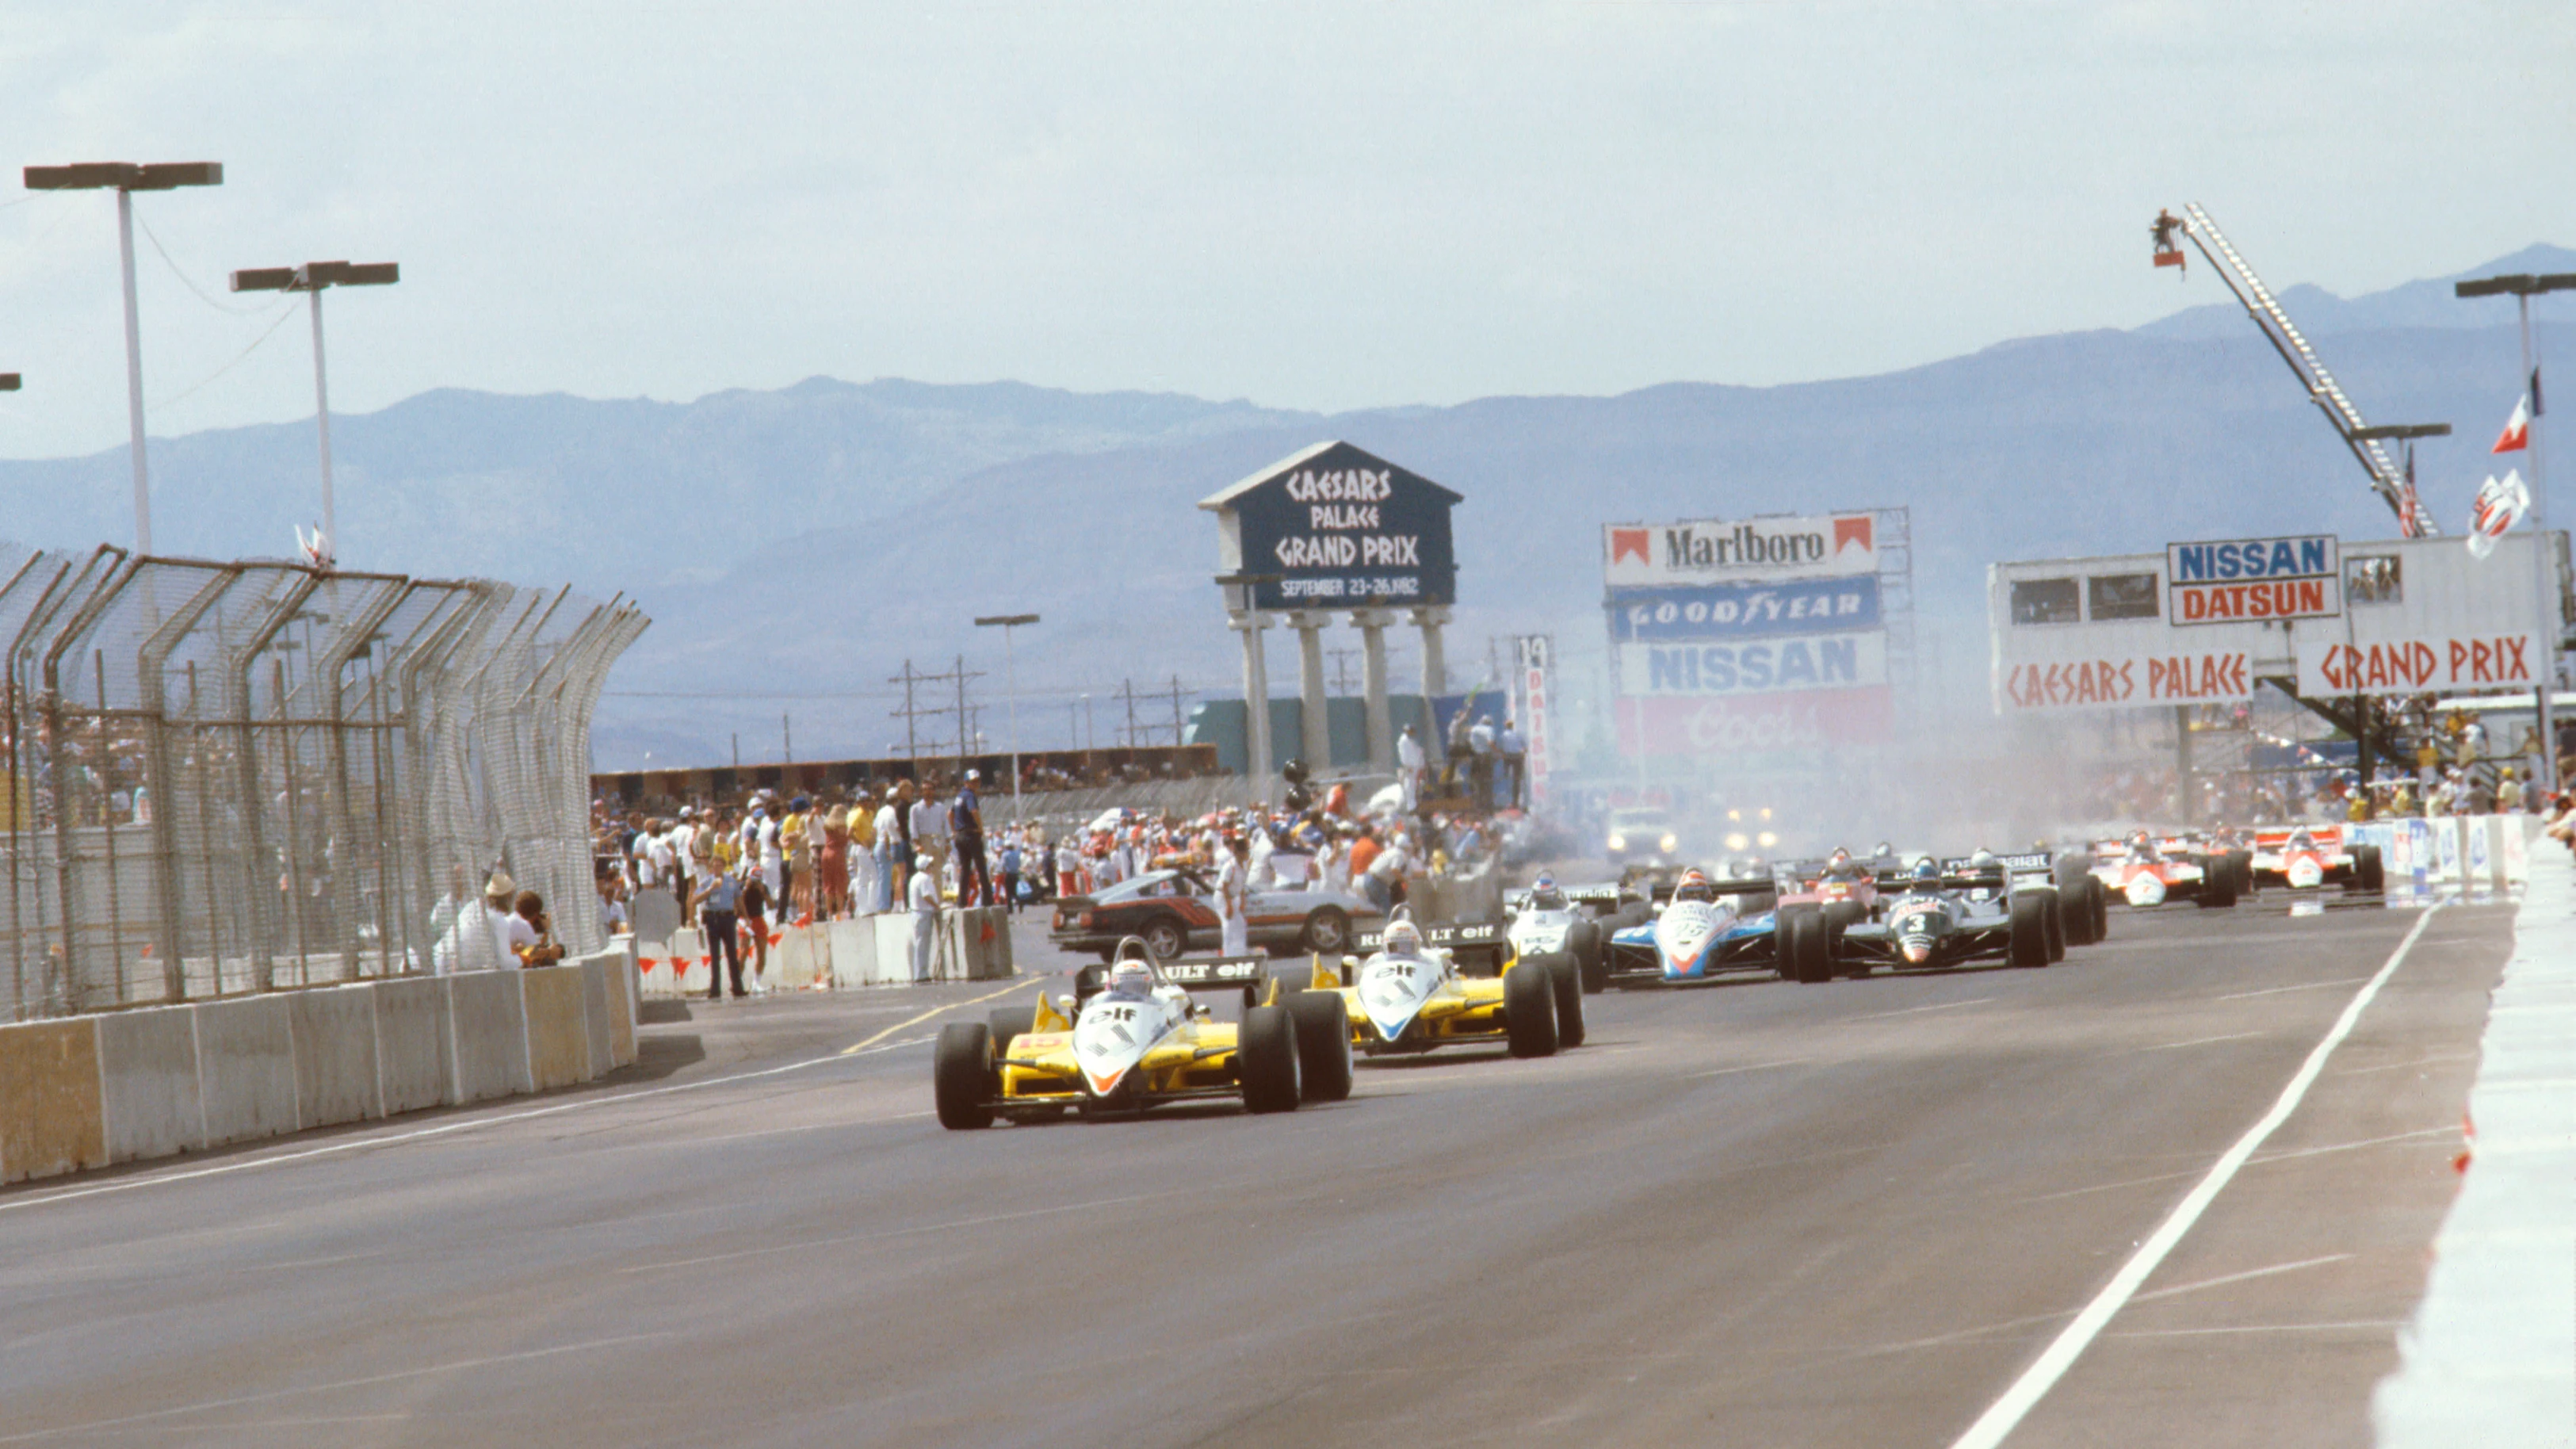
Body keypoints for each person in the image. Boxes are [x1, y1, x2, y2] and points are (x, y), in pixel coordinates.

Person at [698, 863, 746, 1000]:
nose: (717, 869)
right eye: (714, 867)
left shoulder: (731, 881)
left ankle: (737, 986)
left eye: (719, 867)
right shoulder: (707, 882)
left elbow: (738, 899)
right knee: (715, 955)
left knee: (732, 953)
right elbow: (695, 900)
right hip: (713, 918)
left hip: (728, 917)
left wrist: (745, 916)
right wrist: (709, 890)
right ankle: (715, 989)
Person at [952, 769, 991, 908]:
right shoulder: (969, 795)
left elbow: (950, 813)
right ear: (966, 782)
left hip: (960, 835)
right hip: (971, 834)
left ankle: (961, 901)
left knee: (965, 870)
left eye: (977, 781)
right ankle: (988, 900)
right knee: (981, 867)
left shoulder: (959, 796)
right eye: (973, 781)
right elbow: (974, 810)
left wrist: (954, 830)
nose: (976, 784)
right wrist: (980, 827)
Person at [1215, 832, 1251, 956]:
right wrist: (1229, 906)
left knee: (1240, 923)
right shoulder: (1230, 866)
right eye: (1246, 852)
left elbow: (1241, 886)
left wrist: (1242, 901)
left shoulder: (1244, 865)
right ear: (1239, 853)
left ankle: (1240, 953)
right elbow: (1224, 886)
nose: (1247, 854)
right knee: (1229, 925)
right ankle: (1228, 954)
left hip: (1233, 896)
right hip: (1223, 897)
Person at [739, 862, 773, 993]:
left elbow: (771, 905)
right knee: (743, 952)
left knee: (762, 952)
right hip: (745, 919)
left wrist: (763, 893)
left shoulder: (763, 887)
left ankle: (756, 983)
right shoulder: (743, 886)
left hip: (758, 918)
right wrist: (746, 889)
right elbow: (738, 902)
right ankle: (738, 980)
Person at [908, 851, 941, 982]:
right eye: (930, 865)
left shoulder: (915, 878)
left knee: (921, 944)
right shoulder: (925, 879)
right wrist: (936, 906)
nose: (932, 867)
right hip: (923, 913)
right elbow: (926, 895)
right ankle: (921, 974)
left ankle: (921, 972)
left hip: (917, 913)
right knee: (923, 944)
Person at [512, 890, 565, 967]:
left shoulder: (511, 922)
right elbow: (532, 954)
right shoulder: (519, 928)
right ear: (534, 916)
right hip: (514, 968)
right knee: (547, 961)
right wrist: (547, 931)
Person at [874, 786, 904, 914]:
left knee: (883, 878)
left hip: (879, 843)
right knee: (892, 877)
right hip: (889, 844)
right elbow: (895, 829)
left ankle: (883, 905)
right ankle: (885, 906)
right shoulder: (893, 812)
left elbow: (875, 829)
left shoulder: (881, 811)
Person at [1500, 717, 1527, 809]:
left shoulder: (1503, 735)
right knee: (1517, 780)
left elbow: (1501, 748)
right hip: (1518, 757)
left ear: (1506, 726)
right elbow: (1525, 748)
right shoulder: (1518, 734)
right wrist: (1523, 754)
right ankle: (1515, 802)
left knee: (1506, 776)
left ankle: (1507, 800)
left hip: (1508, 757)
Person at [1397, 723, 1425, 812]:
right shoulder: (1404, 741)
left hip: (1415, 766)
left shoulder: (1410, 740)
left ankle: (1414, 804)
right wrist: (1407, 765)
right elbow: (1404, 755)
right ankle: (1411, 806)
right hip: (1410, 766)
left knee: (1415, 785)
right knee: (1410, 785)